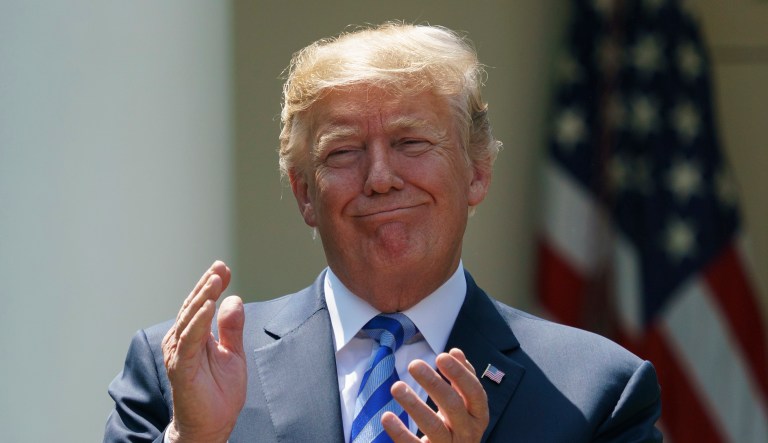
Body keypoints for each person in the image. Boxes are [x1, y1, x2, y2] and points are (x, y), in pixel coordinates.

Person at [103, 23, 662, 443]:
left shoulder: (598, 392)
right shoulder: (182, 371)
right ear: (304, 194)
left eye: (411, 143)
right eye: (343, 152)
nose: (380, 178)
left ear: (477, 172)